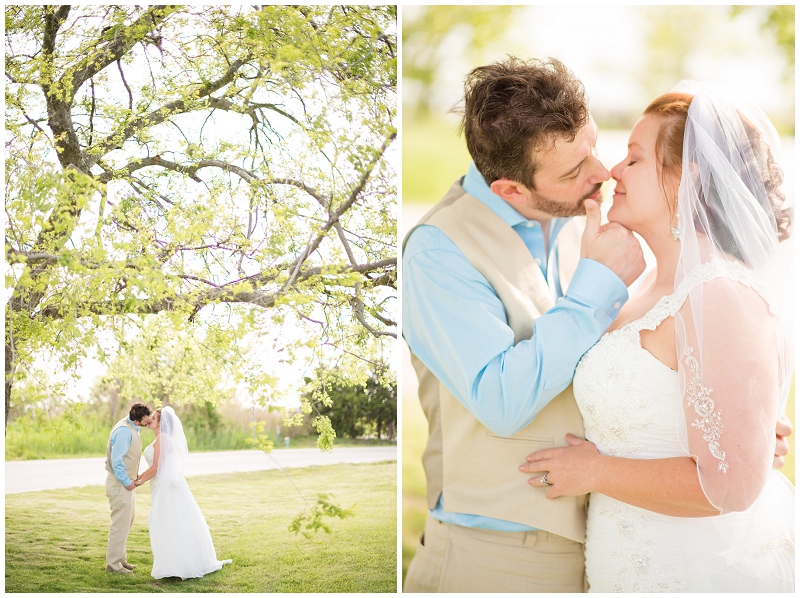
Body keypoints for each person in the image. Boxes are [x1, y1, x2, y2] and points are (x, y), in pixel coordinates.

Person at [402, 57, 793, 593]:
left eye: (595, 149)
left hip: (624, 544)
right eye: (571, 171)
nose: (601, 175)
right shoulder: (436, 250)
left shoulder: (585, 220)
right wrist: (595, 289)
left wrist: (731, 432)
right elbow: (499, 401)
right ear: (511, 191)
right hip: (499, 548)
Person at [521, 83, 795, 592]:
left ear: (686, 175)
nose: (613, 173)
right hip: (622, 561)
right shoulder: (638, 288)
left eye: (634, 159)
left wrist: (593, 473)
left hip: (697, 569)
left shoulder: (720, 294)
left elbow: (732, 485)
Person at [135, 406, 231, 579]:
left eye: (154, 418)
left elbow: (156, 468)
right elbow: (155, 467)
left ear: (161, 423)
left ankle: (177, 566)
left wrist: (139, 481)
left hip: (166, 488)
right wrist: (139, 477)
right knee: (173, 524)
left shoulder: (163, 439)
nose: (150, 420)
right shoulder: (163, 438)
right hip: (166, 486)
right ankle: (175, 564)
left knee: (169, 525)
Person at [105, 402, 151, 574]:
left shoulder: (131, 426)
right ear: (137, 421)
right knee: (119, 524)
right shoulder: (124, 431)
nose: (148, 423)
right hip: (119, 484)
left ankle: (121, 560)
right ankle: (113, 565)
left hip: (126, 484)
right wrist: (126, 481)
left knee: (126, 523)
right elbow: (117, 461)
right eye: (146, 421)